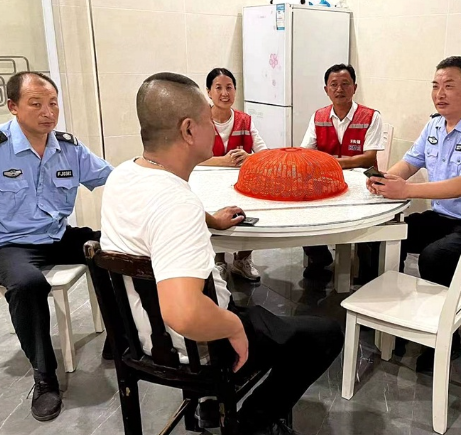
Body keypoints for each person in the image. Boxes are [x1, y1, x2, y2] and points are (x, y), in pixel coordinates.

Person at [100, 72, 343, 435]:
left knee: (263, 317)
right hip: (199, 344)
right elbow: (184, 312)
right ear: (188, 130)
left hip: (140, 335)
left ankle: (221, 409)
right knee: (324, 333)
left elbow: (160, 216)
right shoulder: (176, 203)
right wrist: (232, 327)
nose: (214, 127)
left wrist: (211, 219)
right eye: (207, 119)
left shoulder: (124, 174)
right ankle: (250, 423)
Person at [0, 71, 113, 421]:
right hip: (5, 243)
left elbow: (115, 177)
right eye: (36, 104)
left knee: (114, 249)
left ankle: (120, 338)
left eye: (53, 103)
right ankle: (44, 377)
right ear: (13, 106)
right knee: (29, 284)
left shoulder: (68, 147)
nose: (48, 112)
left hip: (54, 236)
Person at [365, 56, 461, 374]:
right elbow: (410, 161)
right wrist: (386, 179)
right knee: (383, 235)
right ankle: (391, 316)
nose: (439, 93)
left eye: (449, 86)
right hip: (445, 217)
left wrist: (406, 190)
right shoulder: (435, 123)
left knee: (435, 257)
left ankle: (445, 337)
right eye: (435, 86)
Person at [299, 63, 384, 270]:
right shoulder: (318, 116)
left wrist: (333, 163)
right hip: (326, 177)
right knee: (302, 204)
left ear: (355, 87)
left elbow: (368, 158)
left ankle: (367, 265)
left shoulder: (371, 116)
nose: (339, 89)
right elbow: (306, 153)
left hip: (363, 176)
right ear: (326, 89)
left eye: (345, 84)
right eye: (334, 85)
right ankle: (318, 258)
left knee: (372, 216)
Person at [200, 68, 268, 282]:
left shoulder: (245, 120)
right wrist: (222, 161)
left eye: (229, 87)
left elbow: (265, 154)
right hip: (208, 183)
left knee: (250, 214)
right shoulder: (199, 120)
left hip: (241, 184)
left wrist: (249, 157)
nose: (224, 93)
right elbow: (189, 157)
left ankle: (243, 259)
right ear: (208, 92)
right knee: (213, 213)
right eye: (218, 88)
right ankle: (218, 260)